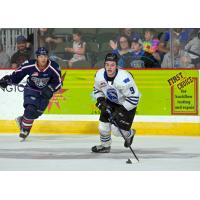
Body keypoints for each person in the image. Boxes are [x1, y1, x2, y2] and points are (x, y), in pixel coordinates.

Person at [0, 47, 62, 140]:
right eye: (41, 56)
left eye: (45, 56)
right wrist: (8, 79)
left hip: (44, 93)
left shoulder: (54, 67)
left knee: (37, 113)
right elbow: (17, 75)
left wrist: (50, 89)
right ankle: (25, 130)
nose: (43, 58)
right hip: (31, 89)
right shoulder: (29, 65)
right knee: (30, 109)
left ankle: (22, 120)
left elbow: (58, 83)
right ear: (37, 57)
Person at [92, 53, 140, 153]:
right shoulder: (99, 75)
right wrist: (101, 100)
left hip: (127, 105)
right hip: (111, 102)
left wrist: (119, 112)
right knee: (103, 126)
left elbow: (134, 98)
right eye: (107, 64)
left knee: (117, 131)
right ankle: (105, 146)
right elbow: (97, 89)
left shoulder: (125, 79)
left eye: (112, 65)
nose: (109, 68)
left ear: (117, 66)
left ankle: (130, 134)